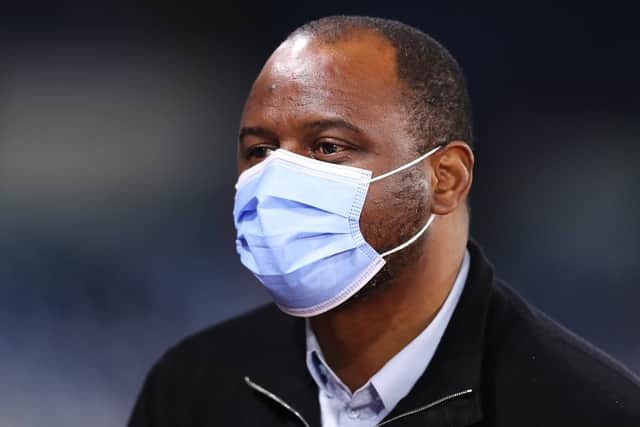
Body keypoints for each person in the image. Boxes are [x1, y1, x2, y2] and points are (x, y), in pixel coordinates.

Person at [128, 16, 640, 426]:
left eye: (328, 147)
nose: (277, 179)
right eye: (259, 150)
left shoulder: (584, 409)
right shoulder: (191, 388)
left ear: (445, 180)